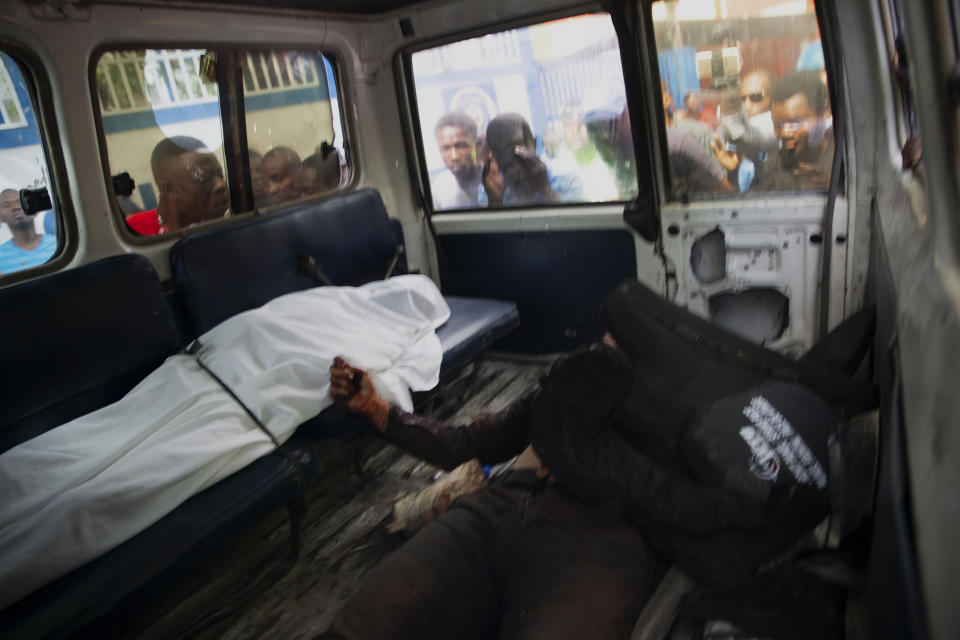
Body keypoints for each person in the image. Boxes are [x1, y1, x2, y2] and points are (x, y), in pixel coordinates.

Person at [320, 341, 658, 640]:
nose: (610, 338)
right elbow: (462, 445)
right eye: (609, 333)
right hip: (500, 511)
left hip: (600, 543)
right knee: (364, 625)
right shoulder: (569, 384)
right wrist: (377, 408)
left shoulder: (682, 412)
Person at [126, 136, 229, 235]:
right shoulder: (134, 231)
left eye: (220, 175)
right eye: (204, 178)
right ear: (170, 190)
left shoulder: (233, 220)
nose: (221, 185)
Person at [755, 71, 834, 191]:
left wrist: (832, 189)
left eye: (795, 122)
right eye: (778, 124)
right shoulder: (774, 166)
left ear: (824, 111)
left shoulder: (847, 159)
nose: (785, 133)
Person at [481, 113, 583, 206]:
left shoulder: (568, 183)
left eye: (517, 155)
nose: (515, 168)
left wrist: (546, 191)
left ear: (534, 145)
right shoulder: (491, 192)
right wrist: (495, 200)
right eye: (503, 158)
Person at [430, 112, 484, 209]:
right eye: (445, 148)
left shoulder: (493, 179)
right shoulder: (440, 186)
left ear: (477, 144)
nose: (454, 157)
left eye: (461, 146)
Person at [0, 188, 56, 273]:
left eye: (19, 202)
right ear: (0, 217)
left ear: (35, 207)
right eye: (7, 205)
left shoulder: (59, 243)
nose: (16, 207)